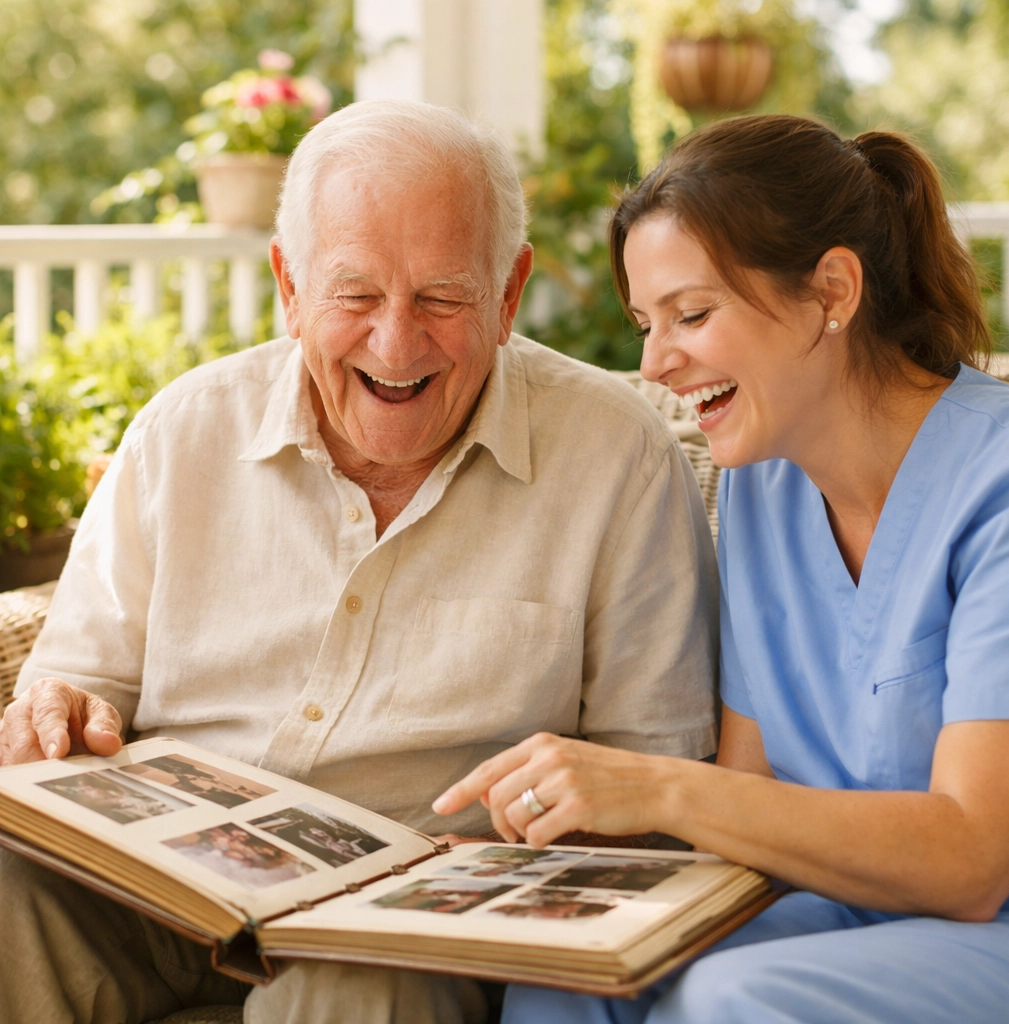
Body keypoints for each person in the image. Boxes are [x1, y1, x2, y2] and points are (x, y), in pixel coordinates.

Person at [0, 100, 718, 1024]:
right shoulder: (182, 433)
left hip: (413, 927)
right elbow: (76, 679)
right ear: (289, 285)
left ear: (508, 294)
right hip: (158, 894)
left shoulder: (620, 459)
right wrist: (59, 709)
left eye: (442, 298)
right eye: (355, 296)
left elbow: (653, 789)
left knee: (361, 982)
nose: (396, 344)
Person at [434, 115, 1009, 1023]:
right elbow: (748, 801)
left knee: (730, 996)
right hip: (839, 910)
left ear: (832, 290)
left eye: (693, 315)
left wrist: (656, 787)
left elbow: (973, 859)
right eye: (646, 323)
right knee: (567, 974)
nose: (653, 362)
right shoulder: (762, 486)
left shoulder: (1006, 485)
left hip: (996, 925)